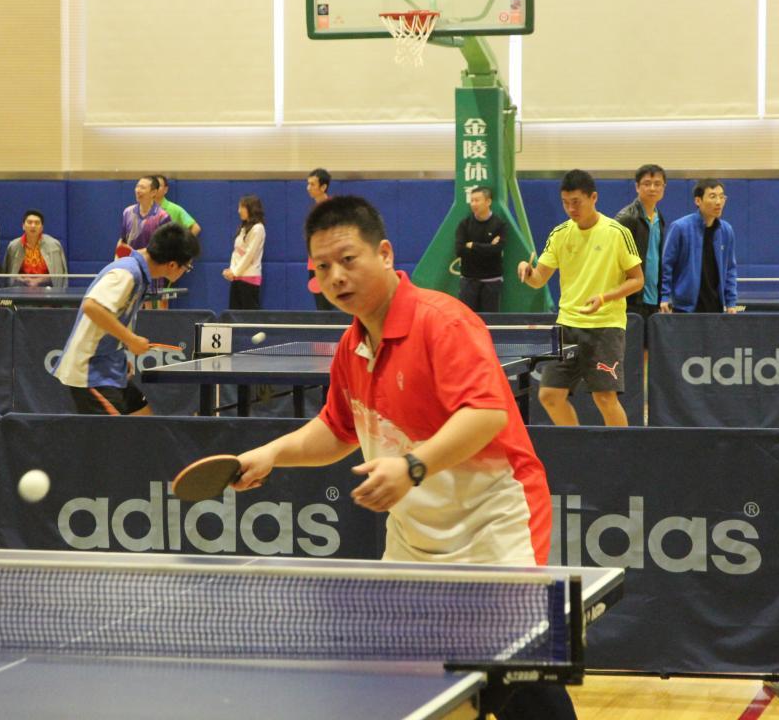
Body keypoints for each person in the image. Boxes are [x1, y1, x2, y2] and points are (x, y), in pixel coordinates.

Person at [230, 196, 569, 718]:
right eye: (322, 267)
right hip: (414, 540)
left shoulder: (442, 322)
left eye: (348, 259)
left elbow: (486, 415)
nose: (336, 277)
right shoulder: (352, 347)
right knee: (408, 688)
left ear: (384, 253)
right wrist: (272, 453)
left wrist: (411, 467)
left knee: (514, 679)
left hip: (494, 527)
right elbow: (337, 430)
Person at [517, 169, 643, 427]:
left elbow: (637, 280)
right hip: (567, 327)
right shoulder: (560, 234)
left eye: (576, 202)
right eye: (565, 202)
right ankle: (575, 443)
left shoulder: (617, 232)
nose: (571, 209)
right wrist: (527, 273)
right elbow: (539, 279)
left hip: (605, 327)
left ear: (593, 197)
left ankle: (622, 449)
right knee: (550, 395)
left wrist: (604, 298)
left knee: (605, 398)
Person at [52, 223, 200, 415]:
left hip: (111, 366)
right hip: (90, 372)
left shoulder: (139, 273)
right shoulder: (127, 273)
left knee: (144, 418)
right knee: (117, 433)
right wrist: (130, 340)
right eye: (187, 267)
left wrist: (119, 352)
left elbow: (114, 316)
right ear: (172, 264)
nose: (185, 271)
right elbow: (91, 306)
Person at [660, 178, 738, 314]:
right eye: (712, 196)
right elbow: (667, 265)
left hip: (716, 307)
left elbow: (730, 270)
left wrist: (731, 302)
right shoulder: (680, 227)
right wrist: (664, 297)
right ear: (698, 201)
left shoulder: (726, 230)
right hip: (684, 308)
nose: (718, 202)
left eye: (722, 197)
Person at [613, 164, 667, 319]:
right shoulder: (626, 218)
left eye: (657, 184)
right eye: (647, 183)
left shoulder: (659, 218)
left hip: (653, 299)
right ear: (637, 187)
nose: (652, 188)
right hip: (631, 300)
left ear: (663, 188)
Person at [454, 186, 506, 312]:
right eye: (471, 200)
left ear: (488, 202)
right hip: (468, 280)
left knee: (490, 320)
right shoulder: (464, 224)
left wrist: (473, 245)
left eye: (477, 200)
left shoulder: (499, 224)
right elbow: (459, 250)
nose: (473, 204)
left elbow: (497, 249)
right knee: (467, 318)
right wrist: (488, 247)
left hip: (492, 281)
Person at [2, 209, 69, 285]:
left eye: (37, 223)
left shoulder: (54, 245)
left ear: (42, 227)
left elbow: (59, 275)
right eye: (29, 222)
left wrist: (40, 280)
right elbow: (8, 274)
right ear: (23, 226)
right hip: (22, 286)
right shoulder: (13, 246)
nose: (33, 226)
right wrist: (21, 278)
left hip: (47, 287)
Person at [223, 195, 265, 310]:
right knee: (234, 314)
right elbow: (236, 252)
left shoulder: (258, 228)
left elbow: (249, 254)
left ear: (251, 208)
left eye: (242, 207)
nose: (239, 211)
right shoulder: (243, 228)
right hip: (237, 278)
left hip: (249, 278)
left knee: (249, 316)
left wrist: (235, 272)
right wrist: (231, 270)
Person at [117, 176, 170, 254]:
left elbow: (163, 246)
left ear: (153, 192)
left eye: (142, 188)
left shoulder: (163, 217)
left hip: (152, 261)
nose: (138, 190)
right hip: (130, 260)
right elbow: (123, 240)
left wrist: (135, 254)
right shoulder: (127, 212)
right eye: (137, 186)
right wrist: (118, 257)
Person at [305, 167, 332, 309]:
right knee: (321, 308)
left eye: (312, 184)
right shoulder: (314, 209)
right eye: (308, 184)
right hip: (314, 264)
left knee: (327, 308)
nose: (308, 188)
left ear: (323, 187)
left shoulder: (331, 210)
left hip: (327, 264)